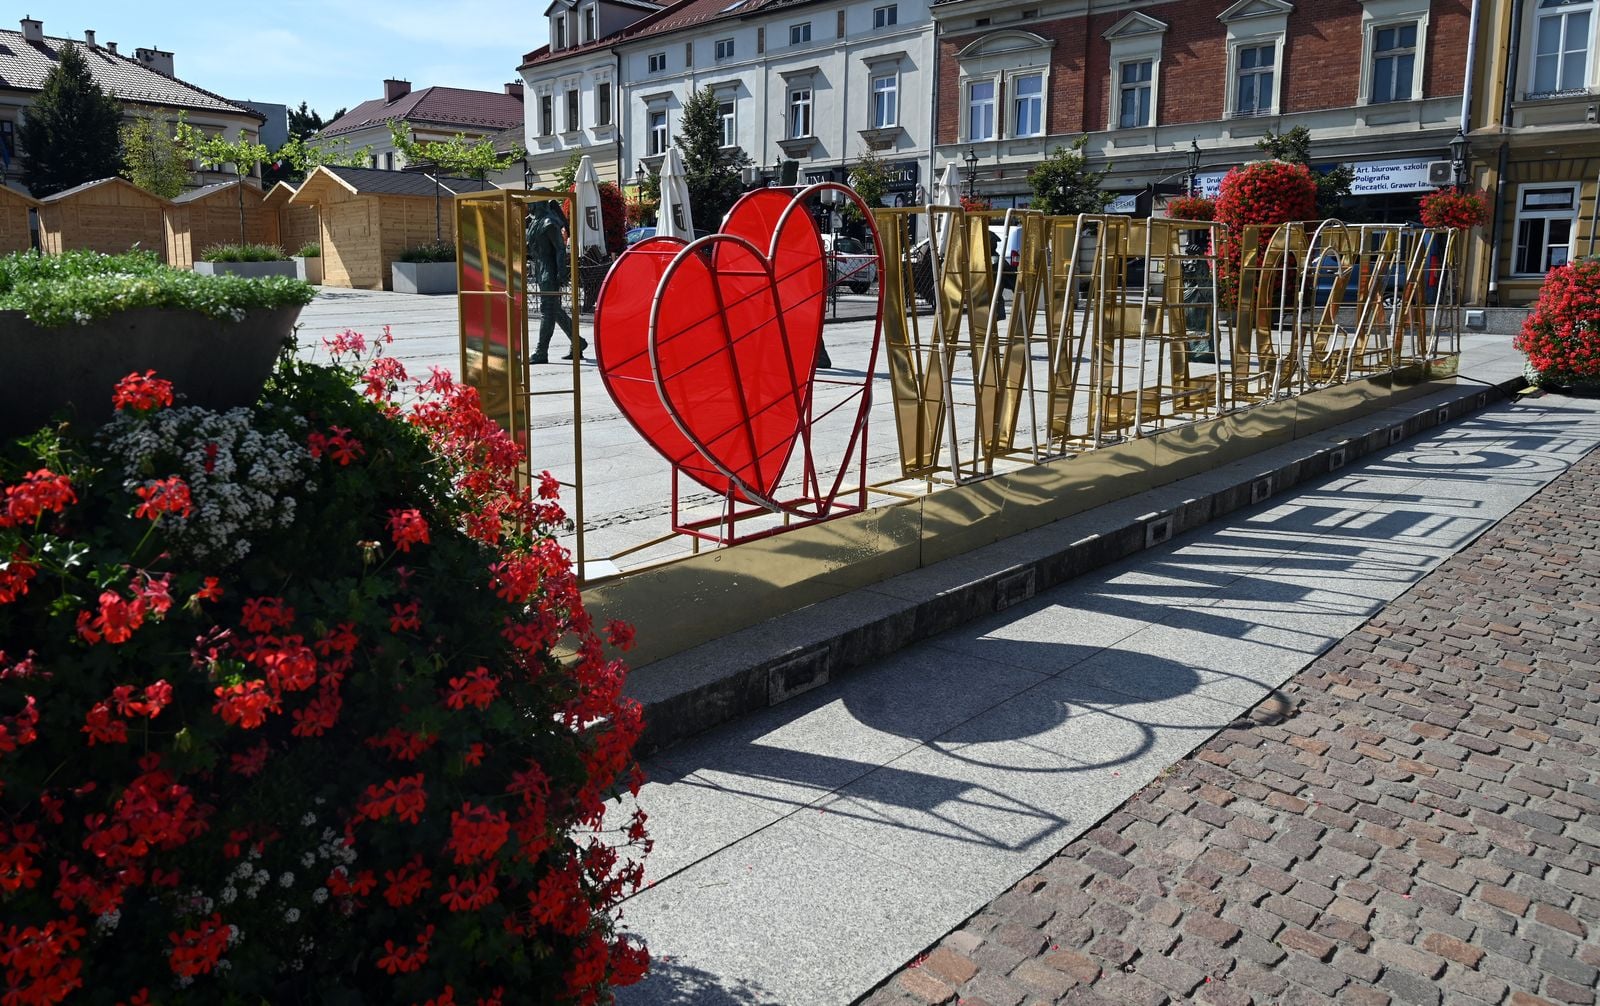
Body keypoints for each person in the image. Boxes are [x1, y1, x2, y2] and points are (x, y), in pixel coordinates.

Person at [526, 200, 586, 364]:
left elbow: (560, 248)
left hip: (549, 270)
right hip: (540, 268)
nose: (528, 205)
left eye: (531, 201)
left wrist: (561, 272)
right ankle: (578, 341)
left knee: (548, 310)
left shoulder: (548, 222)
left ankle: (541, 351)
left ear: (538, 204)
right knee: (555, 309)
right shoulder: (534, 222)